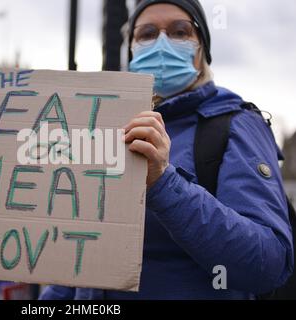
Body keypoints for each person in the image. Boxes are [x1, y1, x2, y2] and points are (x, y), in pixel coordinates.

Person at [40, 0, 294, 300]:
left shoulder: (236, 126)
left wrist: (164, 183)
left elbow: (268, 264)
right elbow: (82, 254)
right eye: (146, 34)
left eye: (179, 32)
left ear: (202, 50)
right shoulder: (104, 125)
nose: (161, 43)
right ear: (132, 50)